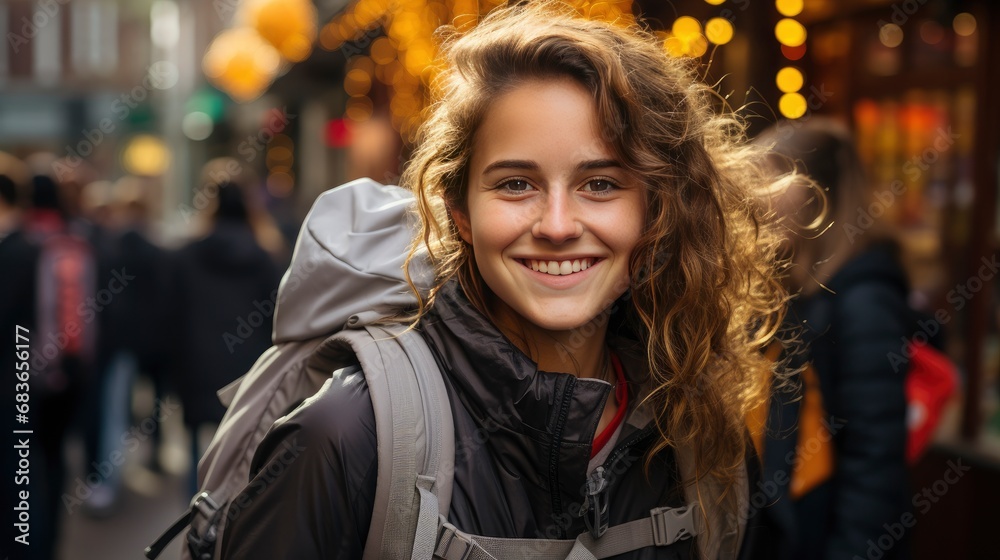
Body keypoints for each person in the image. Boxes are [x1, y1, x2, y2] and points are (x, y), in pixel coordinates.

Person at [221, 3, 787, 558]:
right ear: (459, 210)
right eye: (516, 184)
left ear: (658, 210)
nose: (559, 226)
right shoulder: (345, 436)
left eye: (601, 184)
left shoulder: (703, 439)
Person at [755, 119, 912, 559]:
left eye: (769, 188)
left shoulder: (866, 301)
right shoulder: (795, 288)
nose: (758, 208)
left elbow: (875, 465)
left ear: (810, 196)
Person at [170, 162, 282, 495]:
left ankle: (193, 534)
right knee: (245, 462)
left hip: (197, 369)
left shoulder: (185, 257)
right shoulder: (266, 259)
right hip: (247, 374)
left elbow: (171, 318)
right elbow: (278, 320)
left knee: (196, 459)